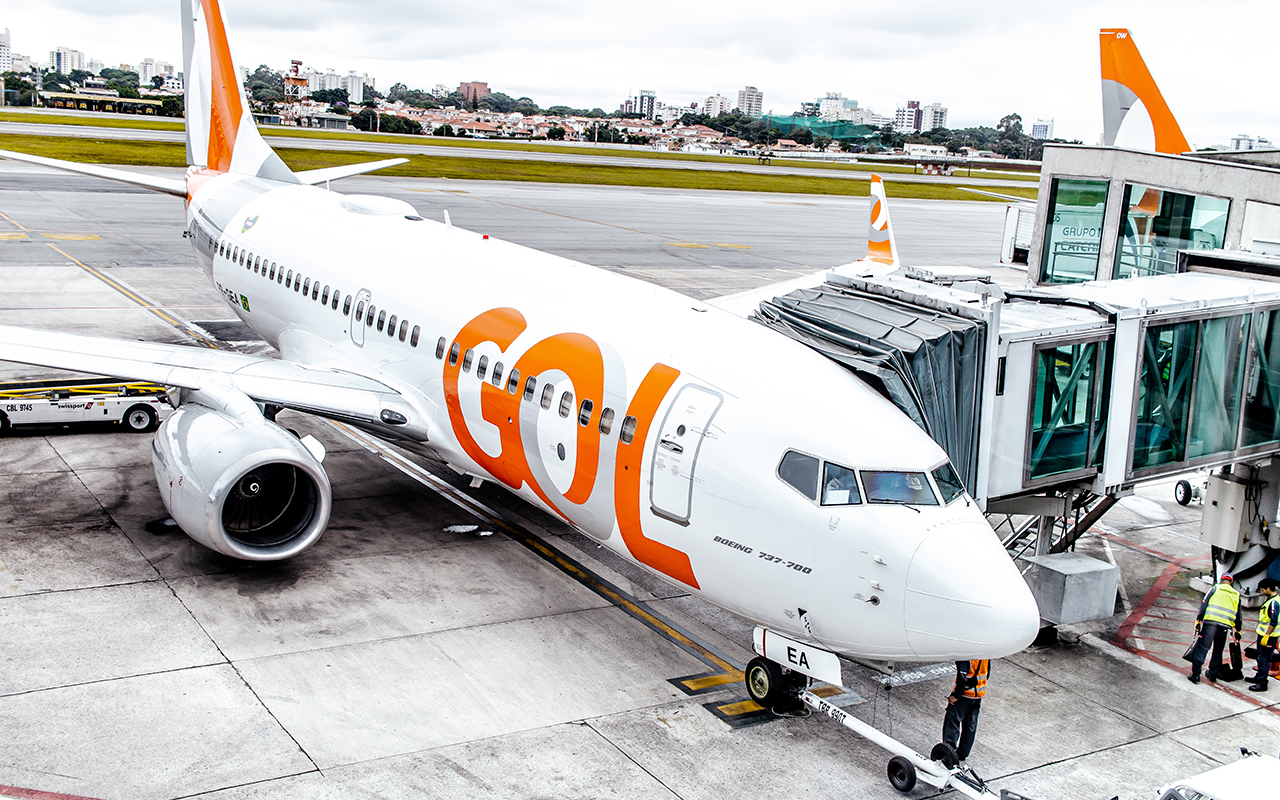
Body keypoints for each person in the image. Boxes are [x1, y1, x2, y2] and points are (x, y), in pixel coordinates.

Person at [1188, 573, 1242, 684]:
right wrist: (1238, 630)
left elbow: (1204, 604)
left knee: (1202, 648)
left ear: (1221, 580)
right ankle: (1213, 674)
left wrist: (1198, 620)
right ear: (1231, 582)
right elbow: (1238, 615)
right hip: (1224, 626)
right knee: (1218, 650)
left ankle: (1196, 675)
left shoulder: (1215, 589)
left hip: (1210, 624)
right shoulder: (1236, 594)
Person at [942, 659, 988, 764]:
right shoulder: (985, 656)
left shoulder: (966, 656)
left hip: (965, 695)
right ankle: (963, 753)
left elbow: (962, 677)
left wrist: (956, 695)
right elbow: (987, 673)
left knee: (952, 721)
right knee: (970, 725)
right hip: (978, 694)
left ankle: (949, 754)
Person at [1248, 579, 1279, 692]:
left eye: (1263, 590)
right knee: (1260, 656)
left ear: (1268, 589)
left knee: (1264, 659)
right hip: (1263, 635)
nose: (1262, 592)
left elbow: (1273, 621)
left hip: (1268, 636)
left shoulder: (1274, 602)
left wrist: (1267, 635)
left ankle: (1262, 683)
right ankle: (1259, 676)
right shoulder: (1270, 599)